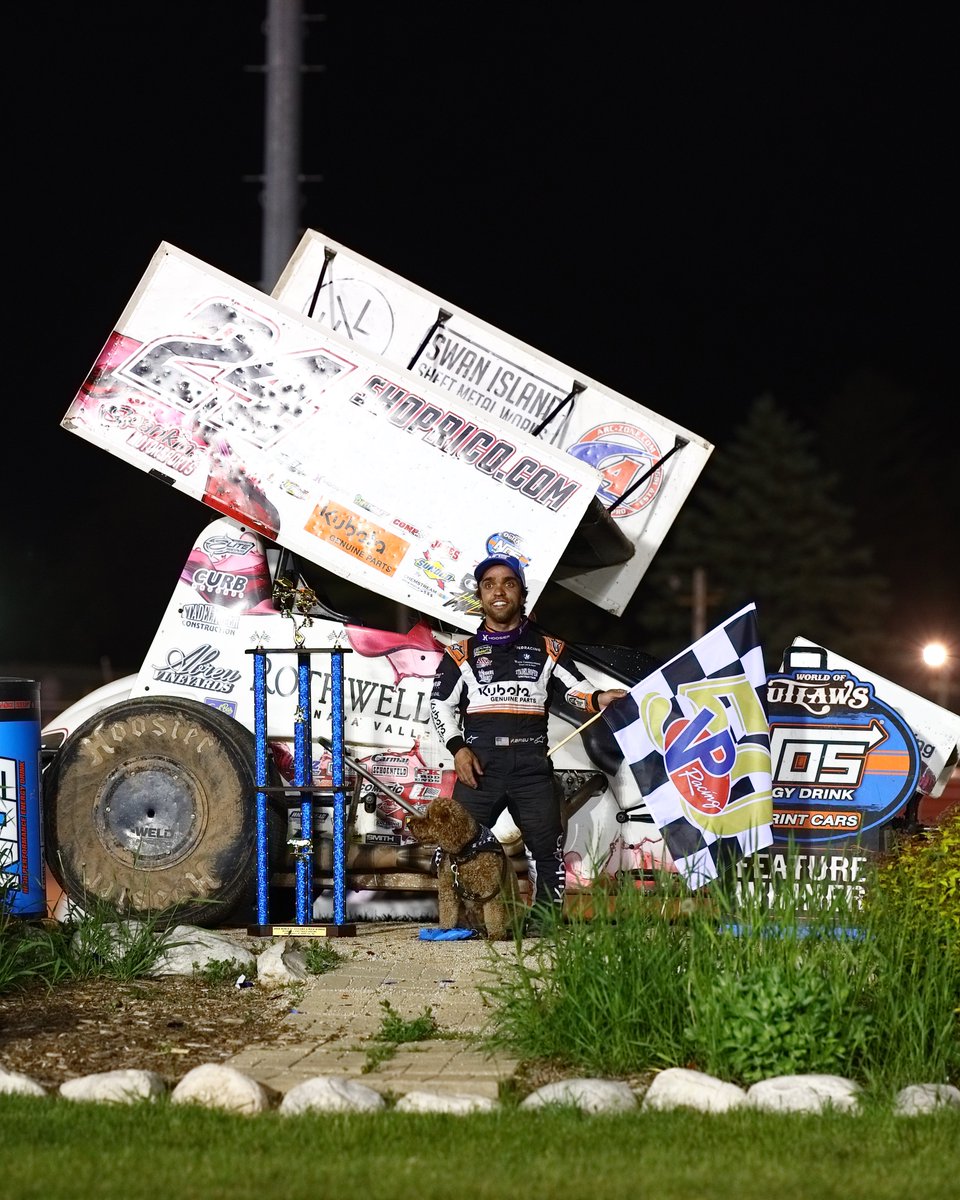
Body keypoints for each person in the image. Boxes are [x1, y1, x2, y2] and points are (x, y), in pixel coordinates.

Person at [429, 551, 627, 927]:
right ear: (481, 597)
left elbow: (577, 691)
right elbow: (440, 706)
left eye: (508, 583)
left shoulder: (549, 648)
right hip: (480, 766)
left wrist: (600, 698)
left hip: (532, 765)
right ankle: (466, 920)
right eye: (489, 585)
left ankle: (544, 923)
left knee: (547, 849)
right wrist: (458, 749)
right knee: (455, 844)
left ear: (522, 593)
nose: (498, 591)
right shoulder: (461, 653)